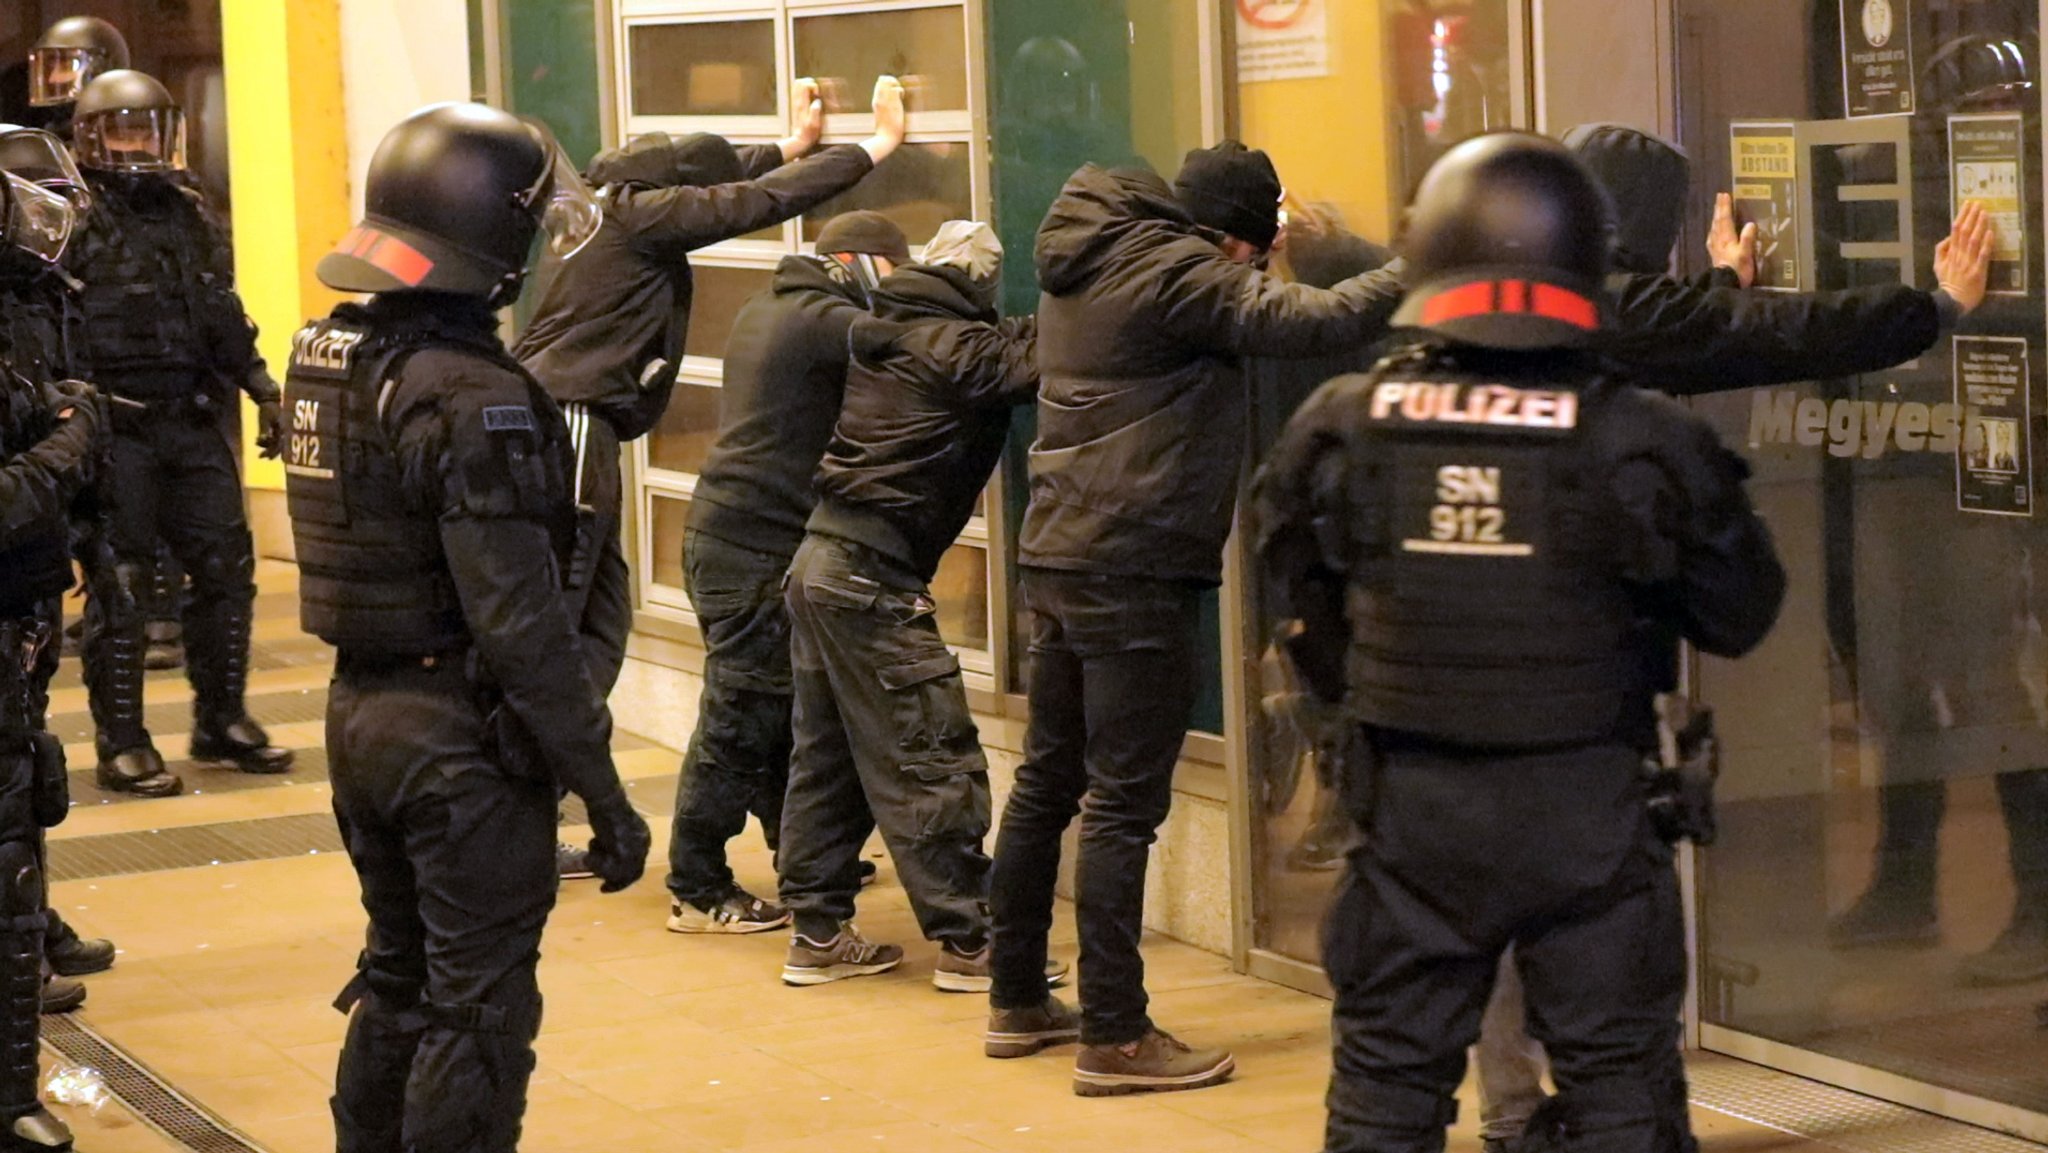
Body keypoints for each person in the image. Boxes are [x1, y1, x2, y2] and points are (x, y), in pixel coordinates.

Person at [1464, 120, 1998, 1153]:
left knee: (1495, 906)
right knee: (1608, 904)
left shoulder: (1501, 302)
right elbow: (1779, 335)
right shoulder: (1610, 307)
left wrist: (1715, 292)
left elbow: (1694, 332)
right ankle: (1621, 1114)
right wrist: (1930, 308)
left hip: (1460, 664)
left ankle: (1512, 1116)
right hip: (1572, 672)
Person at [1253, 131, 1787, 1153]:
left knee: (1384, 1082)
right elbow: (1739, 612)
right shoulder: (1640, 434)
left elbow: (1296, 607)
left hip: (1410, 804)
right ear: (1582, 259)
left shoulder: (1343, 420)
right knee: (1618, 1081)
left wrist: (1371, 703)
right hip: (1588, 801)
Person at [987, 144, 1402, 1096]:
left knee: (1050, 781)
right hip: (1133, 563)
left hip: (1059, 550)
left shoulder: (1091, 256)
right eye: (1254, 258)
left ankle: (1016, 995)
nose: (1253, 274)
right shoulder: (1176, 269)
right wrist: (1427, 259)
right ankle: (1116, 1034)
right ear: (1231, 241)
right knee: (1123, 805)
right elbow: (1321, 317)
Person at [283, 102, 651, 1153]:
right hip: (459, 744)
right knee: (479, 1009)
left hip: (360, 715)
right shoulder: (474, 395)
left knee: (396, 974)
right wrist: (604, 790)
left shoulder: (333, 355)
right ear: (489, 238)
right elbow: (521, 626)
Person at [513, 76, 908, 702]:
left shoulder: (605, 201)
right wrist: (877, 146)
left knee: (601, 610)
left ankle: (565, 763)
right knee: (566, 605)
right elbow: (756, 200)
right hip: (573, 422)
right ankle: (525, 776)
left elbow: (731, 182)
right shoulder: (640, 217)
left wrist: (795, 142)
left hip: (554, 419)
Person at [777, 221, 1049, 992]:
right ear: (979, 292)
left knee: (827, 757)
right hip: (870, 575)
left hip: (819, 561)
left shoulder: (892, 328)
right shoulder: (956, 347)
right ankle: (972, 942)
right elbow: (1039, 356)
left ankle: (817, 930)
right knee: (927, 748)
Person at [662, 210, 909, 933]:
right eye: (894, 275)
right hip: (751, 548)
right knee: (739, 719)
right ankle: (696, 881)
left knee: (776, 712)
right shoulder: (820, 319)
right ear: (860, 262)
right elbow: (912, 344)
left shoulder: (768, 305)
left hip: (731, 536)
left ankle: (796, 850)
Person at [65, 70, 290, 798]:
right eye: (122, 129)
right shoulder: (69, 217)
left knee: (228, 568)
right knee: (123, 585)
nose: (137, 144)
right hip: (113, 425)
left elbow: (222, 310)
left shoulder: (192, 213)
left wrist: (260, 385)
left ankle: (221, 718)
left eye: (148, 129)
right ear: (92, 137)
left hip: (189, 419)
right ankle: (122, 740)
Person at [0, 127, 121, 1012]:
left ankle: (27, 924)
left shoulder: (33, 297)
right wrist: (68, 437)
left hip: (29, 571)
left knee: (27, 764)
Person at [22, 17, 128, 138]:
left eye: (66, 66)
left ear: (100, 69)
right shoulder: (50, 136)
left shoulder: (128, 128)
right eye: (50, 68)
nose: (52, 78)